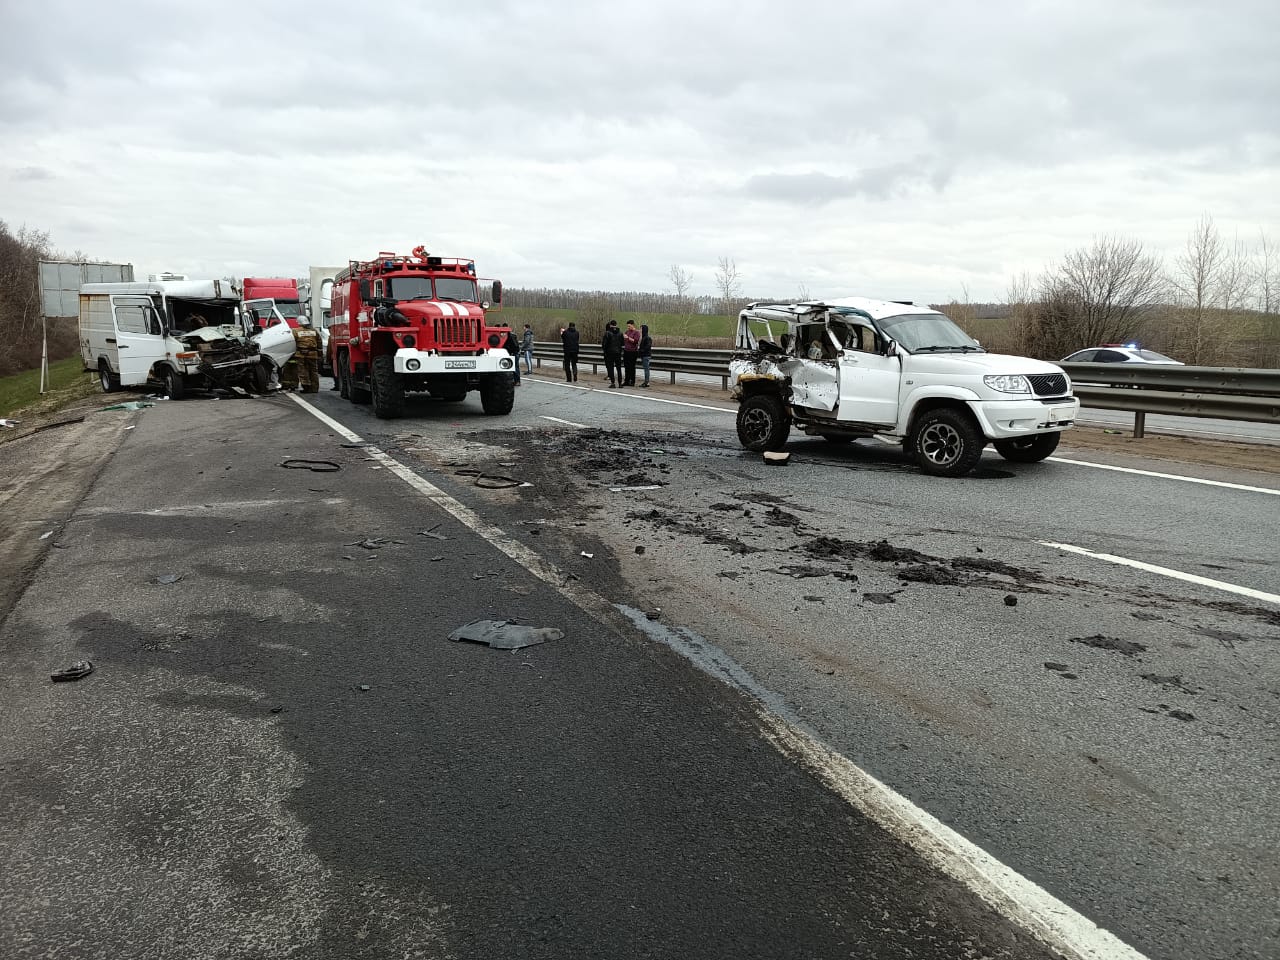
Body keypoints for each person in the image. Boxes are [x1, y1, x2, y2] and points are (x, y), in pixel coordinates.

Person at [290, 317, 323, 393]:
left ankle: (306, 387)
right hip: (313, 354)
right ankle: (314, 388)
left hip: (301, 354)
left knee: (303, 371)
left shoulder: (295, 331)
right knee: (313, 371)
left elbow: (293, 342)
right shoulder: (314, 331)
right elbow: (319, 342)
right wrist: (320, 355)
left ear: (299, 323)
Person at [601, 320, 624, 388]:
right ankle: (620, 383)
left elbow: (604, 344)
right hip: (618, 353)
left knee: (611, 368)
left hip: (609, 353)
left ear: (610, 325)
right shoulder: (620, 333)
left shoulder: (607, 333)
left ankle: (613, 383)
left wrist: (605, 351)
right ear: (616, 325)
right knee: (619, 368)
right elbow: (622, 343)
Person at [621, 320, 640, 386]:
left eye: (629, 326)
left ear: (633, 325)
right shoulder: (627, 332)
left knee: (632, 367)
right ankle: (626, 380)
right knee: (626, 366)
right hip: (626, 351)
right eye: (627, 326)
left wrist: (628, 338)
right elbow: (624, 341)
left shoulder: (636, 332)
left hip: (633, 352)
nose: (628, 327)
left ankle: (632, 381)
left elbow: (635, 341)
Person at [638, 323, 653, 387]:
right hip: (644, 355)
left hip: (646, 356)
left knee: (646, 369)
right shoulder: (644, 337)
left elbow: (647, 347)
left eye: (641, 329)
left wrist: (641, 350)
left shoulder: (647, 338)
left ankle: (646, 382)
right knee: (646, 369)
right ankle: (646, 382)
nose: (640, 330)